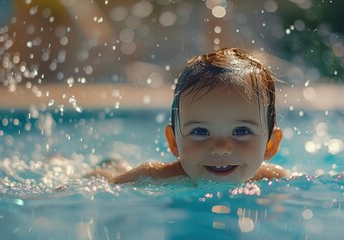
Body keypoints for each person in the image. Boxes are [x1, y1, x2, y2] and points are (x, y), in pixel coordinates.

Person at [89, 47, 289, 184]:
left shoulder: (275, 179)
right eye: (200, 131)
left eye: (241, 131)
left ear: (270, 145)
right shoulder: (154, 177)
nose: (220, 149)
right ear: (174, 142)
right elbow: (97, 190)